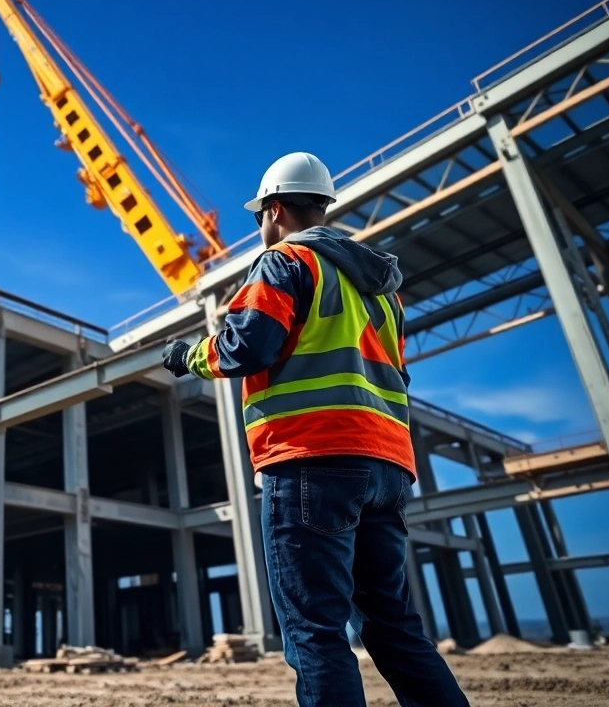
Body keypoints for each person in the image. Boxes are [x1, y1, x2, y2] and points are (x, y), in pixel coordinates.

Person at [161, 152, 469, 707]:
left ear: (275, 208)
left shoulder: (285, 262)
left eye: (260, 216)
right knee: (395, 626)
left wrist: (190, 357)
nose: (260, 228)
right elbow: (398, 375)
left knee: (315, 632)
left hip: (310, 458)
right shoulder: (383, 291)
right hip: (387, 467)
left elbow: (249, 344)